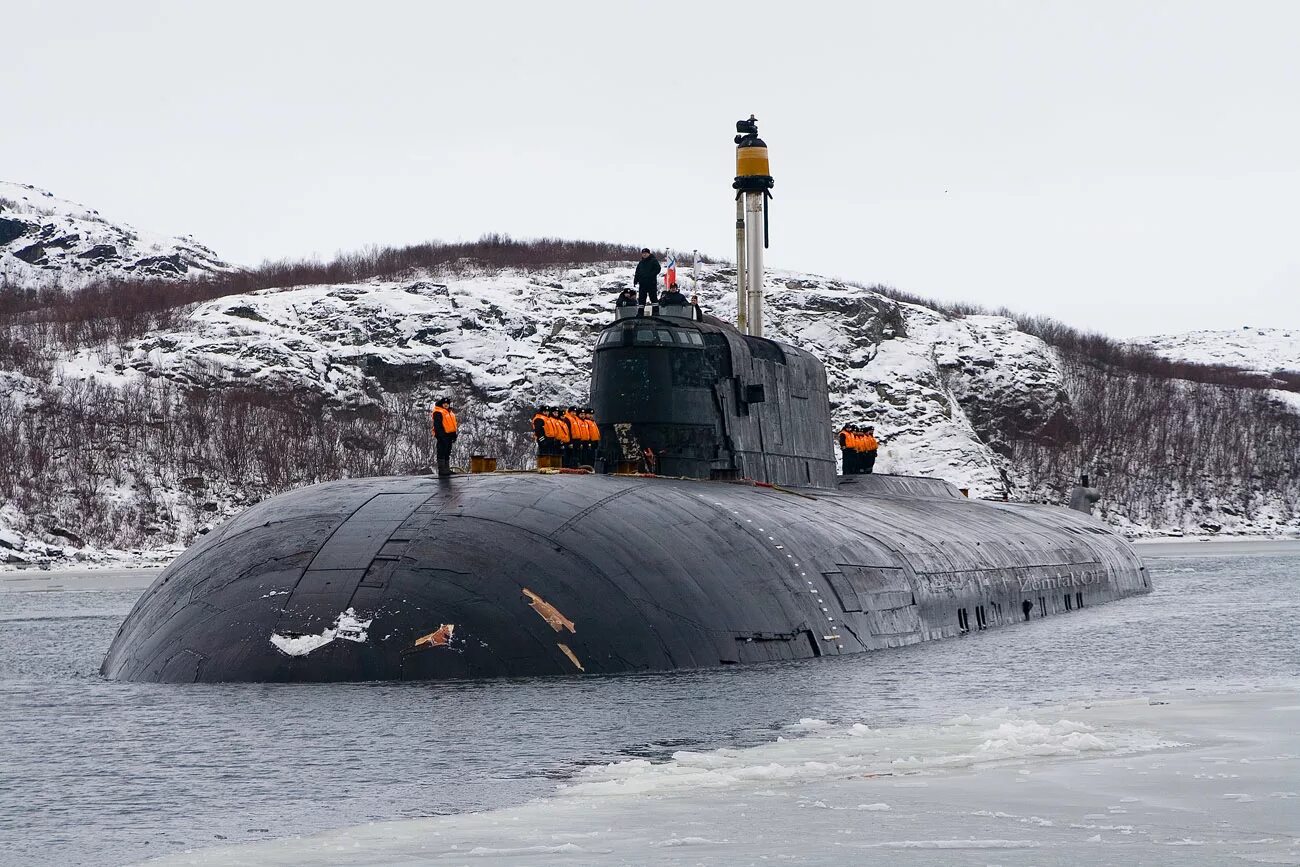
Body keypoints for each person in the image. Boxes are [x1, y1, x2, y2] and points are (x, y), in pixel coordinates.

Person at [431, 397, 458, 477]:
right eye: (444, 404)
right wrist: (441, 436)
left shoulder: (449, 412)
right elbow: (437, 426)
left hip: (449, 435)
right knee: (441, 452)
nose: (446, 405)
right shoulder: (438, 412)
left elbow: (452, 425)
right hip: (442, 436)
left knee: (447, 452)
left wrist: (454, 435)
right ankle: (442, 470)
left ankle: (446, 469)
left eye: (447, 404)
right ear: (441, 404)